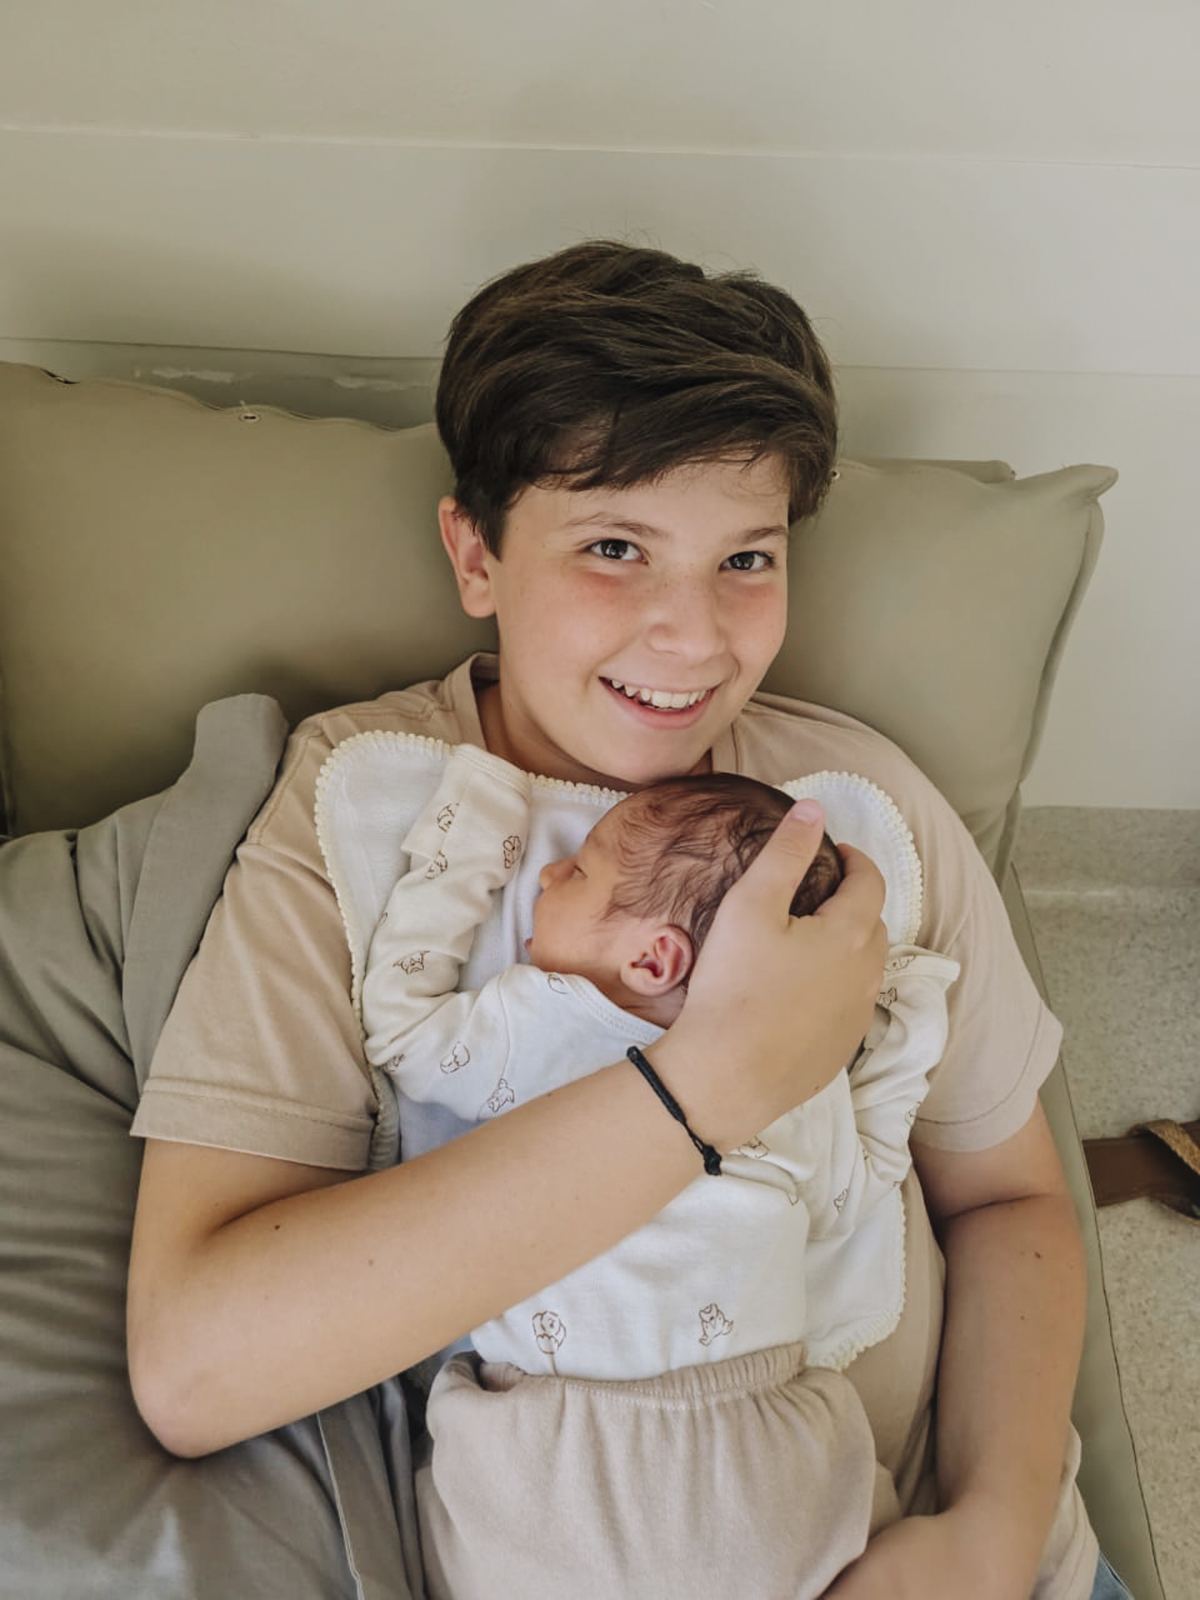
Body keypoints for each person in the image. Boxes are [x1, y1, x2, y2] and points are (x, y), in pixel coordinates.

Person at [127, 240, 1103, 1599]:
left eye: (745, 558)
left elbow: (1012, 1197)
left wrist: (991, 1533)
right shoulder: (368, 812)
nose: (693, 638)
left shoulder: (858, 805)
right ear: (476, 554)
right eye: (614, 547)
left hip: (926, 1543)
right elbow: (195, 1368)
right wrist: (710, 1084)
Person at [355, 750, 960, 1597]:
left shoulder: (552, 1017)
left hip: (552, 1450)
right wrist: (900, 1025)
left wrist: (467, 845)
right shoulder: (802, 1070)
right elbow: (853, 1192)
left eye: (578, 871)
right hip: (762, 1451)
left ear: (654, 961)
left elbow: (402, 1031)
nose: (547, 873)